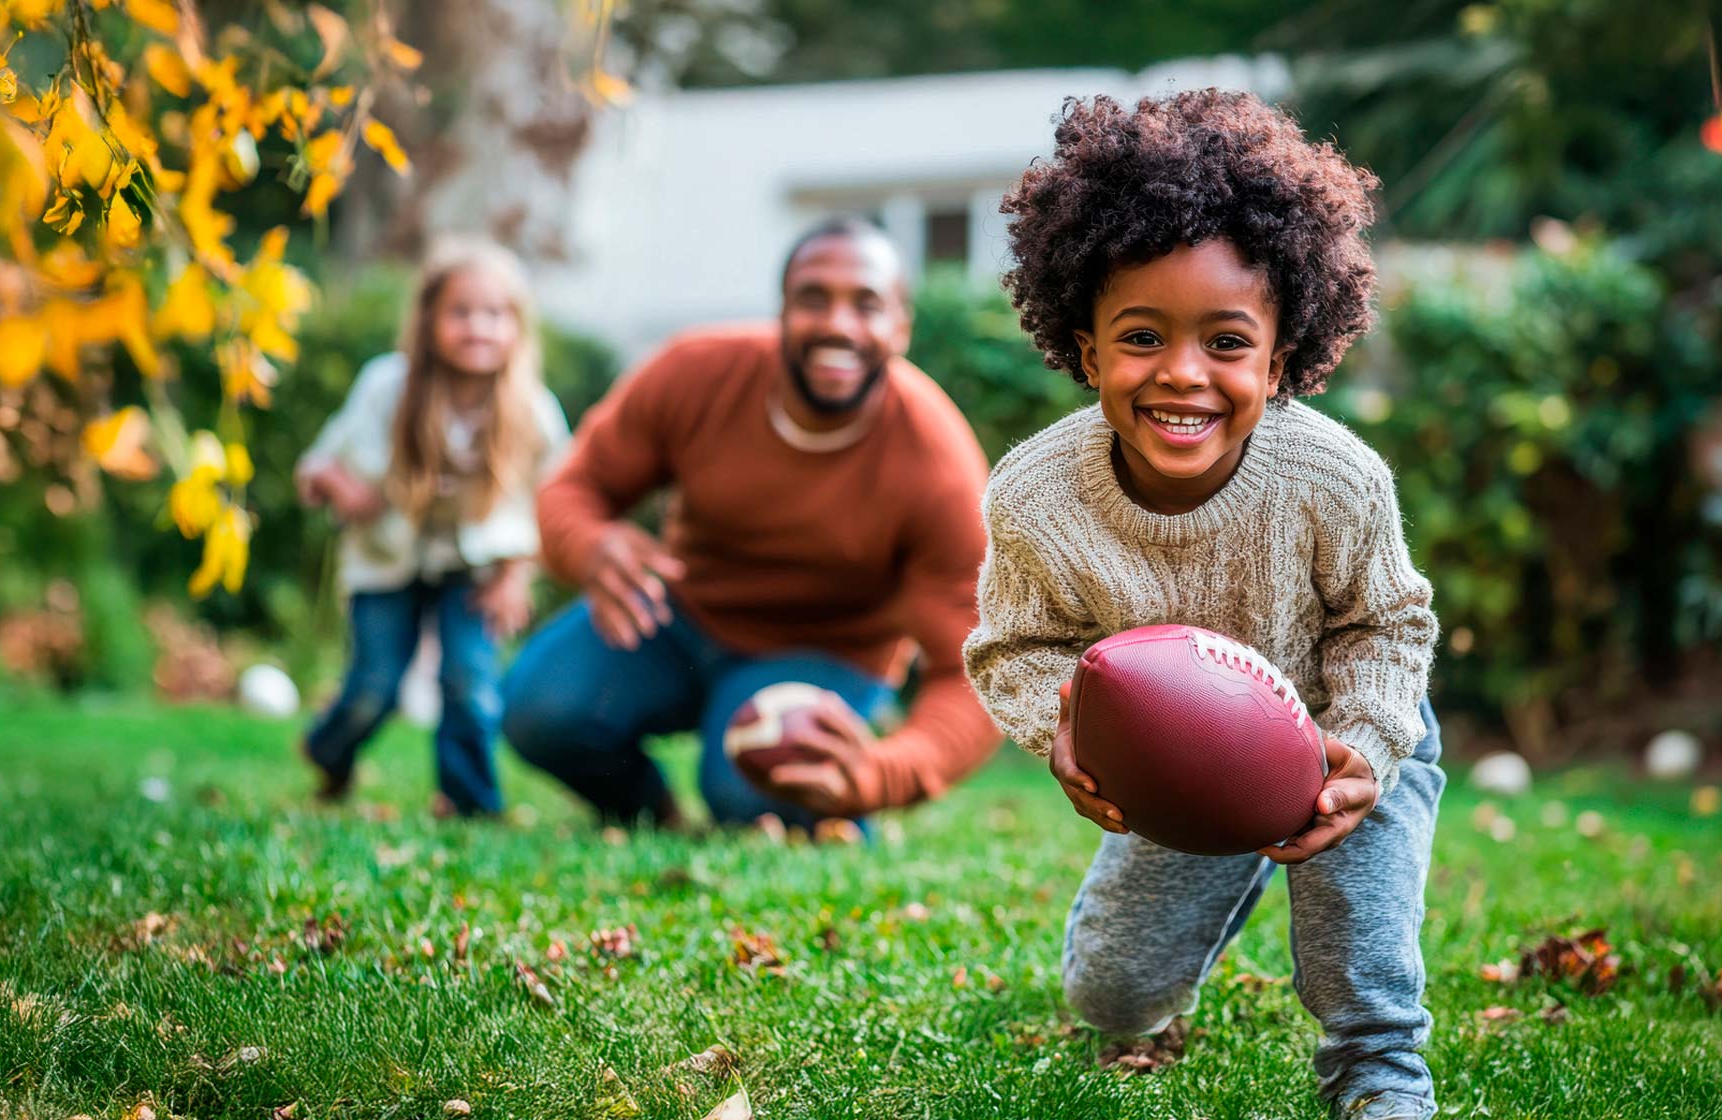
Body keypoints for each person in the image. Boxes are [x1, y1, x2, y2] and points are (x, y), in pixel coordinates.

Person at [962, 91, 1446, 1119]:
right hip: (1177, 756)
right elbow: (1015, 645)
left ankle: (1380, 1074)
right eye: (1141, 336)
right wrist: (1068, 725)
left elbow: (1388, 623)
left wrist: (1364, 742)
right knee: (1112, 994)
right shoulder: (1033, 496)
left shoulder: (1334, 479)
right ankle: (1199, 927)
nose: (1182, 373)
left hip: (1338, 740)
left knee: (1356, 955)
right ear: (1086, 348)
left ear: (1277, 362)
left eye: (1226, 342)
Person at [501, 218, 1000, 830]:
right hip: (676, 618)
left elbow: (978, 667)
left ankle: (830, 821)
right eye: (813, 298)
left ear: (900, 327)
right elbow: (573, 486)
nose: (838, 324)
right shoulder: (696, 372)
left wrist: (881, 772)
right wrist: (590, 544)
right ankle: (650, 815)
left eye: (866, 304)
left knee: (753, 792)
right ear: (783, 312)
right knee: (538, 709)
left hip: (827, 651)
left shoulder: (935, 456)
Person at [295, 237, 572, 818]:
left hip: (476, 568)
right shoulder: (386, 388)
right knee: (376, 683)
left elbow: (553, 501)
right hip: (385, 556)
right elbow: (321, 461)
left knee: (469, 680)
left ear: (518, 328)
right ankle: (330, 751)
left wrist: (516, 577)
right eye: (461, 312)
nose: (479, 328)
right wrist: (341, 488)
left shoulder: (532, 411)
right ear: (429, 320)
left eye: (495, 315)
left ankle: (470, 803)